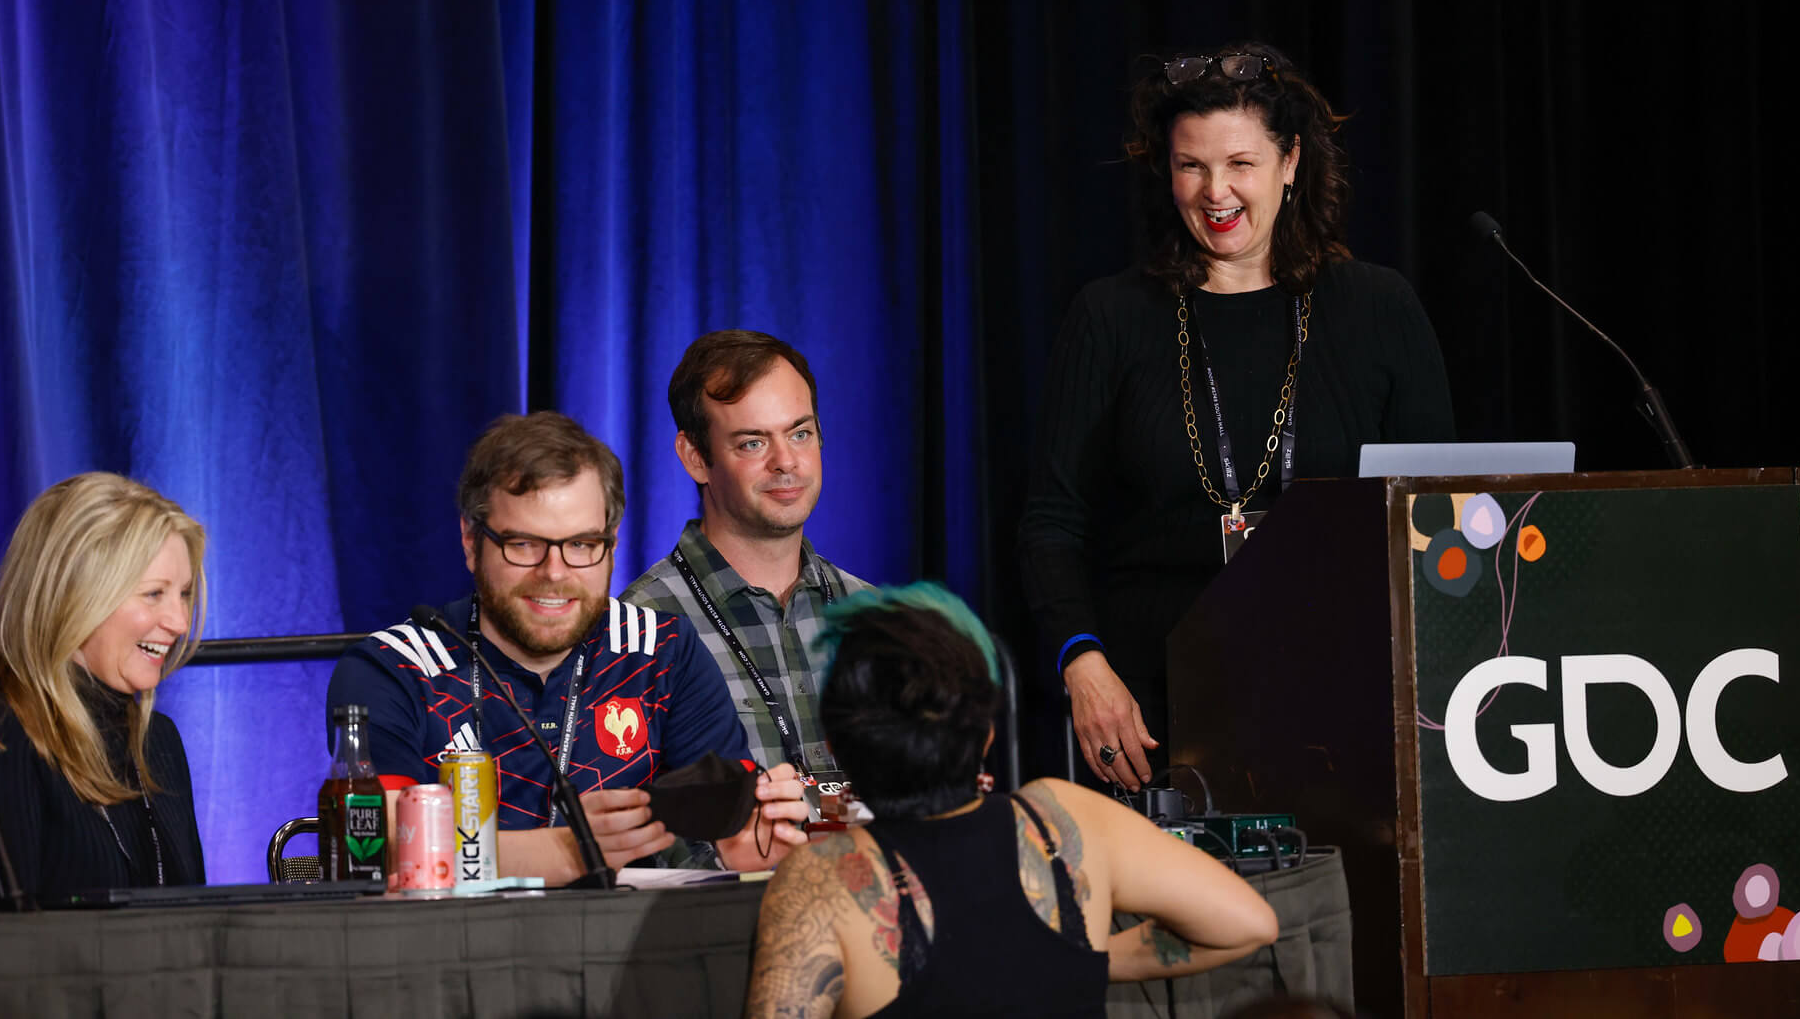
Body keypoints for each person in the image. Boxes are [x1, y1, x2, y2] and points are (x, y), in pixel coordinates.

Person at [1018, 43, 1454, 789]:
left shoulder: (1378, 309)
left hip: (1344, 697)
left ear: (1291, 163)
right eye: (1191, 165)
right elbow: (1051, 521)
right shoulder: (1111, 316)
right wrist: (1082, 665)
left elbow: (1439, 509)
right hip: (1151, 713)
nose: (1215, 192)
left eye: (1240, 164)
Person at [746, 584, 1278, 1019]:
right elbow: (1249, 924)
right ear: (988, 735)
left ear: (837, 746)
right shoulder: (1066, 817)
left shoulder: (819, 881)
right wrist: (1079, 958)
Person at [328, 410, 810, 886]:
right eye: (523, 544)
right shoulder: (393, 668)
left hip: (629, 957)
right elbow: (375, 842)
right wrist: (564, 850)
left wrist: (750, 838)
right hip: (452, 956)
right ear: (472, 542)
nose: (555, 572)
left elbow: (733, 823)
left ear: (611, 545)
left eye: (581, 545)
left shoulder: (662, 652)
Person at [0, 472, 208, 909]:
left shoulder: (157, 741)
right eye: (153, 594)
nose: (180, 622)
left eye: (182, 594)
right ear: (75, 597)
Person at [621, 330, 868, 776]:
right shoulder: (641, 632)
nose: (786, 462)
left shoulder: (874, 615)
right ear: (695, 456)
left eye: (800, 433)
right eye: (753, 443)